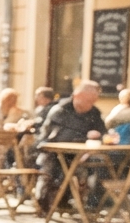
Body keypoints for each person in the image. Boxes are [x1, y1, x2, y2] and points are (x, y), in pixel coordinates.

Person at [35, 81, 107, 213]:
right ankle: (45, 205)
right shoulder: (61, 110)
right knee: (52, 170)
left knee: (100, 167)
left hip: (81, 155)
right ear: (77, 95)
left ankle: (90, 206)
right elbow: (56, 137)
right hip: (54, 154)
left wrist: (99, 136)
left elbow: (103, 132)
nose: (91, 105)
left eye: (93, 102)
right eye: (88, 101)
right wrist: (86, 136)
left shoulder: (94, 112)